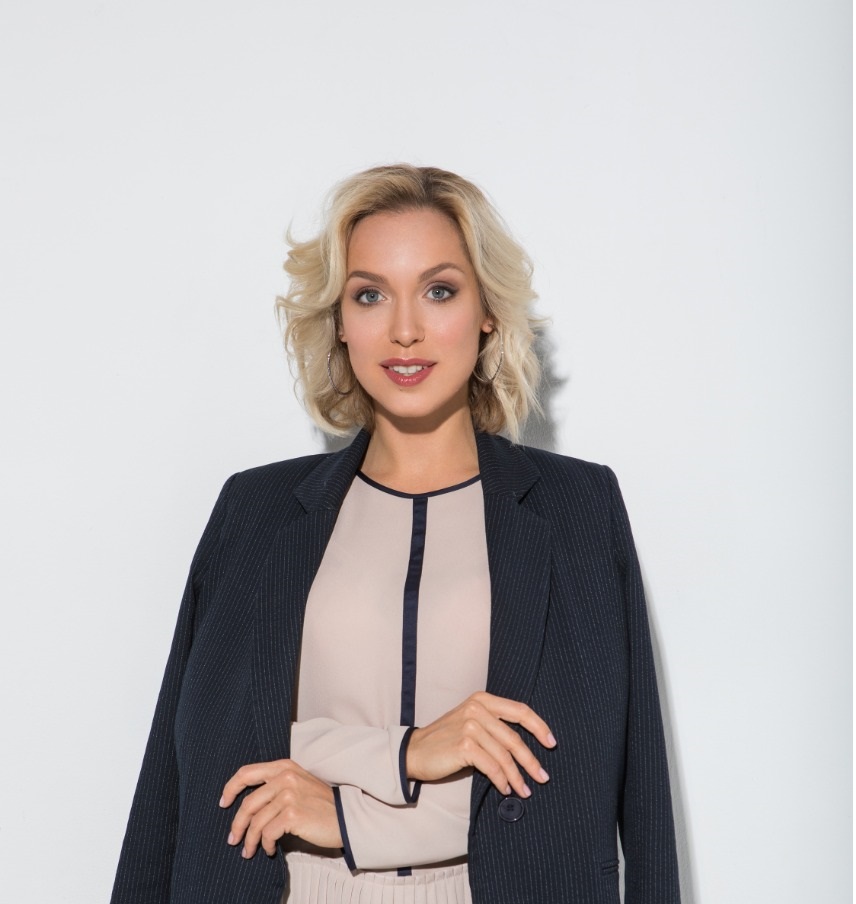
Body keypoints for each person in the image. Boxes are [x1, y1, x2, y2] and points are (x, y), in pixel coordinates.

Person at [111, 164, 681, 904]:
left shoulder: (578, 509)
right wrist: (410, 751)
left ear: (487, 311)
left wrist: (348, 815)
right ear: (339, 321)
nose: (404, 329)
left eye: (439, 291)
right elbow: (197, 759)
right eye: (370, 295)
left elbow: (586, 778)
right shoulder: (255, 512)